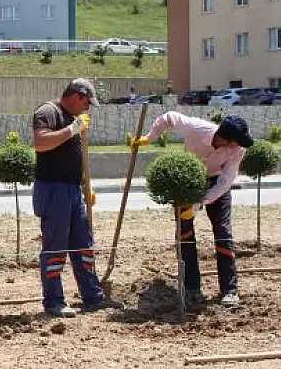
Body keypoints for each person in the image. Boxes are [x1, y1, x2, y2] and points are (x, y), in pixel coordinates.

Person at [131, 112, 253, 308]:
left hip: (216, 182)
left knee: (223, 232)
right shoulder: (196, 128)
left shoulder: (237, 149)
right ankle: (191, 288)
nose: (238, 146)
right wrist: (149, 138)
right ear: (224, 138)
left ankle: (229, 290)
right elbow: (168, 118)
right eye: (235, 142)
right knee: (185, 233)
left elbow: (226, 181)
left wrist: (200, 202)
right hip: (188, 182)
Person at [32, 78, 125, 317]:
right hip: (53, 190)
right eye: (87, 103)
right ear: (76, 96)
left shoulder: (75, 118)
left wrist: (84, 186)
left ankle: (93, 297)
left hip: (73, 190)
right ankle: (54, 302)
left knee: (83, 245)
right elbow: (41, 143)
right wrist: (72, 130)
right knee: (55, 247)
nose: (88, 108)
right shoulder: (48, 112)